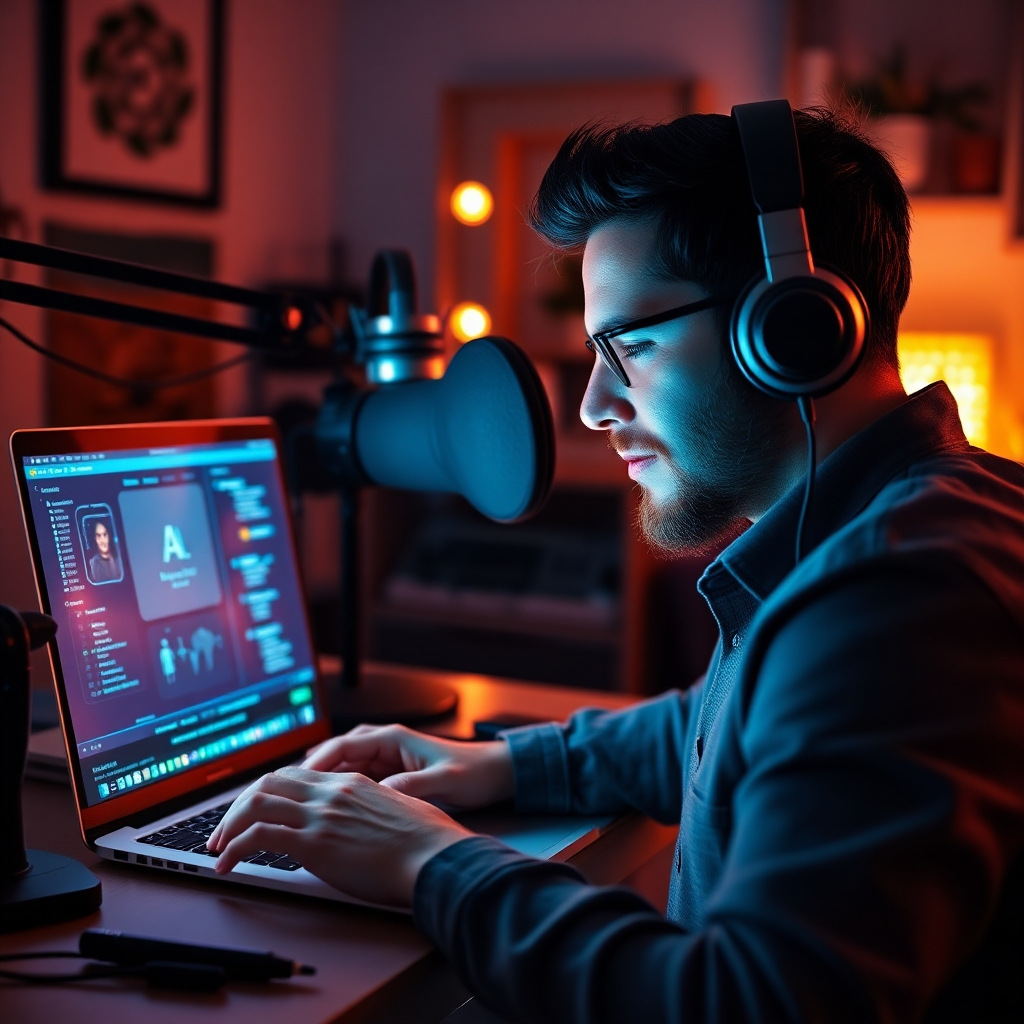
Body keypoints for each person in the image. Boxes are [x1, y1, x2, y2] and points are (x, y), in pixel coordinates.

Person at [207, 105, 1024, 1022]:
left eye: (628, 347)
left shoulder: (896, 601)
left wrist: (429, 862)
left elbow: (745, 1005)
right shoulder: (905, 528)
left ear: (793, 330)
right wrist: (503, 764)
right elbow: (742, 721)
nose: (595, 404)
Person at [87, 519, 121, 583]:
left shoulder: (119, 558)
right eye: (98, 536)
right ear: (95, 539)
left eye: (105, 534)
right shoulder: (94, 562)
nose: (102, 540)